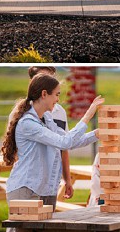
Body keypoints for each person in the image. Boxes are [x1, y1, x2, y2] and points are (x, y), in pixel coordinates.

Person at [1, 73, 104, 211]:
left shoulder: (47, 120)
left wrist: (96, 134)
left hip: (46, 191)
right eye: (56, 94)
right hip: (26, 191)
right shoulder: (28, 123)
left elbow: (70, 141)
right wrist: (88, 115)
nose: (58, 99)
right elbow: (64, 143)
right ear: (44, 94)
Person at [26, 66, 74, 199]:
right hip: (31, 182)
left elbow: (64, 147)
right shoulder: (25, 113)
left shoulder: (60, 112)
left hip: (52, 182)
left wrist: (67, 180)